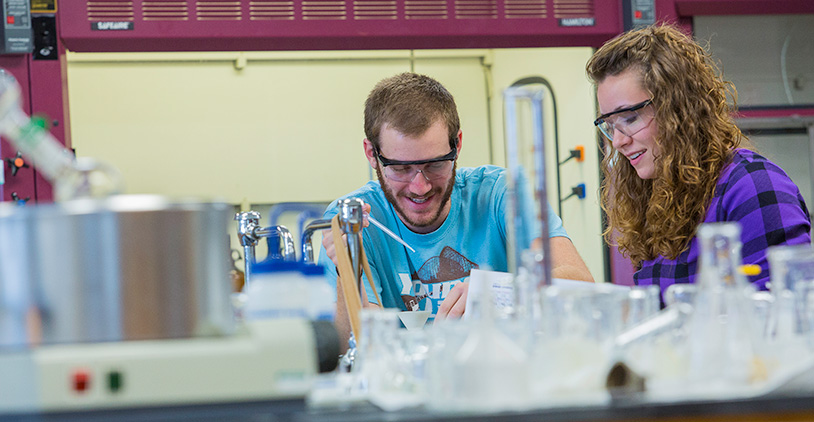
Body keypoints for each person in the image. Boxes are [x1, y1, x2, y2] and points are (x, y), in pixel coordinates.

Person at [319, 72, 593, 346]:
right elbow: (348, 342)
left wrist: (496, 292)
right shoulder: (353, 219)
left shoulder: (499, 193)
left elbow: (581, 284)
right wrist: (348, 269)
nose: (420, 187)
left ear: (457, 144)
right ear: (372, 154)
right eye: (401, 169)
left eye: (435, 165)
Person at [586, 23, 811, 295]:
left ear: (677, 108)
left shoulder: (753, 186)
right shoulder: (657, 199)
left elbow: (786, 316)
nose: (618, 141)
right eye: (609, 125)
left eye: (630, 119)